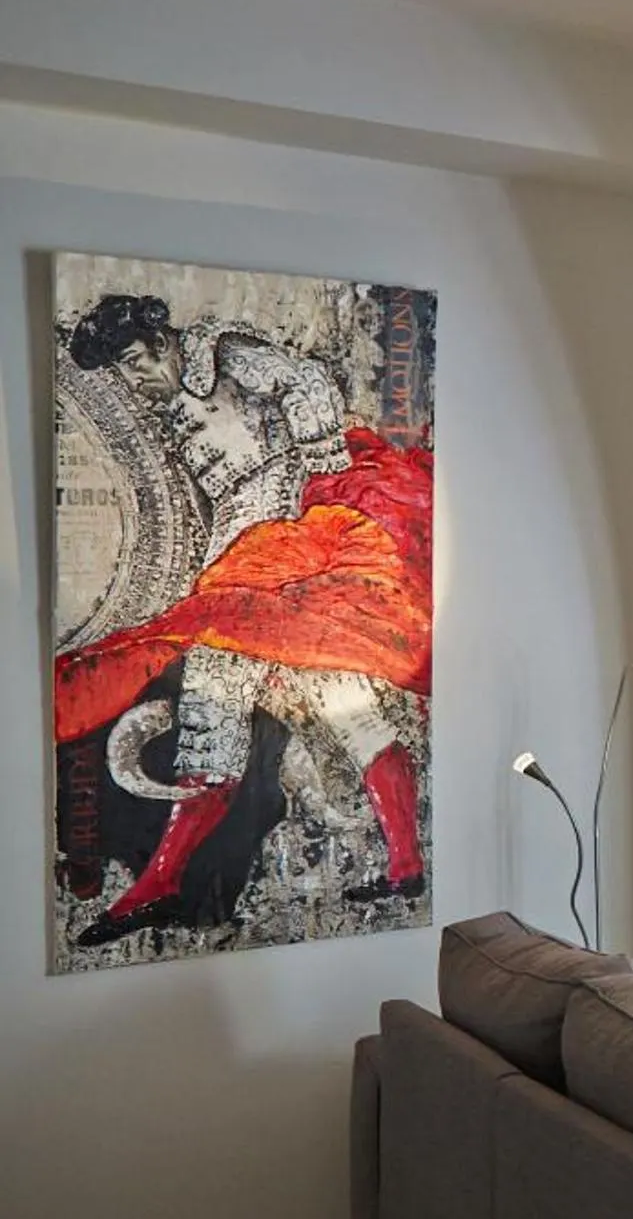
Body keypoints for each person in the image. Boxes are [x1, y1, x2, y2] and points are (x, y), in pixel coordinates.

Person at [57, 293, 432, 946]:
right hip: (243, 558)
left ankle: (165, 884)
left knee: (266, 703)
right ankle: (401, 867)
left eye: (134, 361)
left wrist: (318, 482)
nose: (136, 379)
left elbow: (308, 384)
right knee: (269, 708)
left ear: (161, 337)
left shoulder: (220, 352)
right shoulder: (175, 402)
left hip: (284, 553)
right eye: (122, 372)